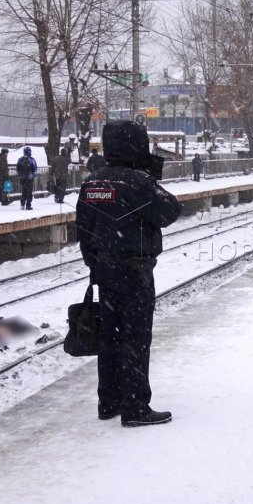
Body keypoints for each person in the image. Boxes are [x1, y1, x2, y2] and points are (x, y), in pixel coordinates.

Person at [75, 120, 182, 428]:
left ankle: (108, 401)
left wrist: (94, 262)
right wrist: (150, 176)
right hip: (134, 270)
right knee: (135, 337)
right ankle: (135, 408)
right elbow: (169, 212)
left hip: (103, 269)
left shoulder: (92, 182)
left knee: (110, 336)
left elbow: (82, 228)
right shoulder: (139, 182)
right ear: (138, 144)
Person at [16, 146, 37, 210]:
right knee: (29, 192)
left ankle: (22, 204)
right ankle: (28, 205)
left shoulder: (20, 159)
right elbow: (35, 168)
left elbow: (17, 169)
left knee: (24, 191)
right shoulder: (31, 159)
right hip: (29, 178)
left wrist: (20, 175)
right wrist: (33, 175)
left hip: (22, 178)